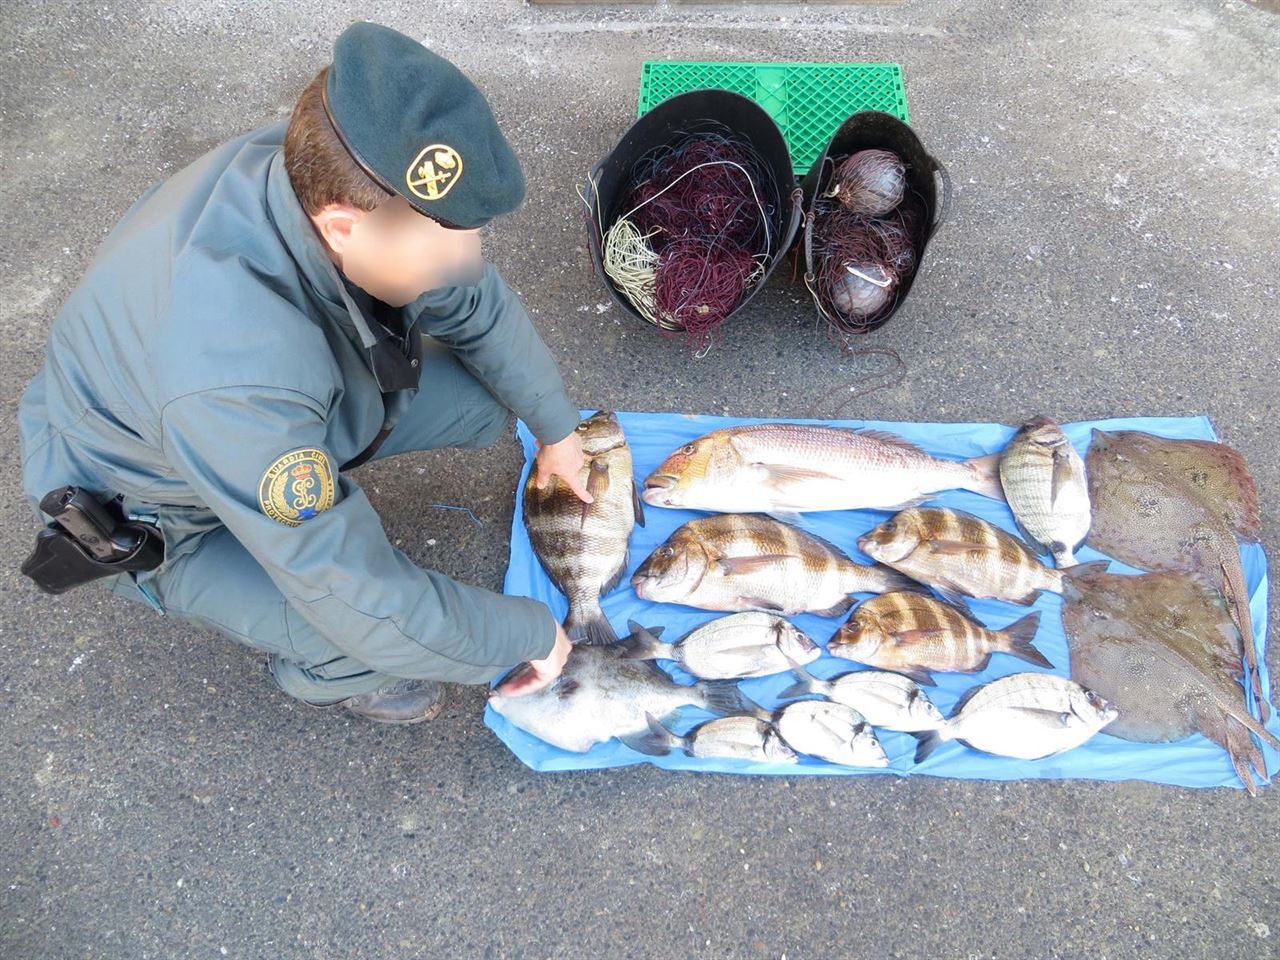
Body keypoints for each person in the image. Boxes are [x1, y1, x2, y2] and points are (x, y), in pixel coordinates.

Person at [17, 22, 593, 724]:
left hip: (219, 408)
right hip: (156, 511)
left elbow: (475, 300)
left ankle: (324, 462)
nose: (467, 265)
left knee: (488, 399)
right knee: (371, 641)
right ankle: (327, 674)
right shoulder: (237, 380)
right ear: (346, 227)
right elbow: (360, 599)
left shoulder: (327, 166)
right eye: (442, 252)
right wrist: (528, 633)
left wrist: (557, 430)